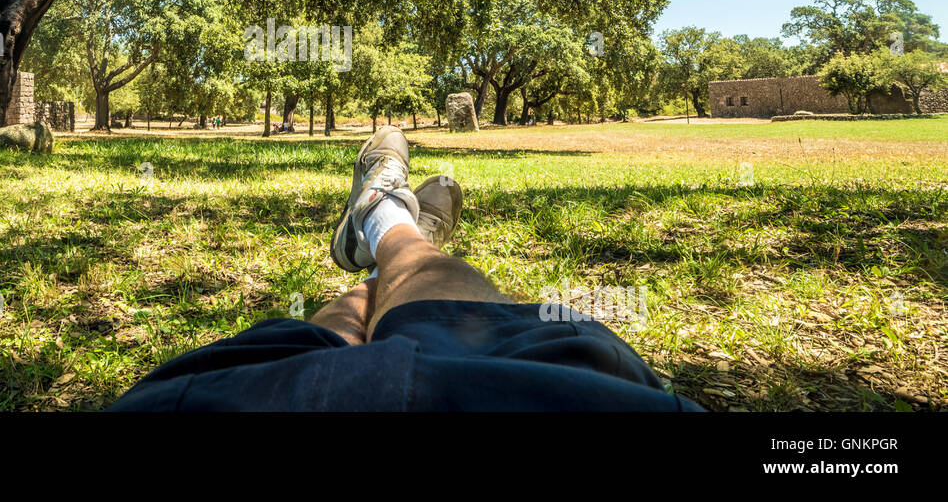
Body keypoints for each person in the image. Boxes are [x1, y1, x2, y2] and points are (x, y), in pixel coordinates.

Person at [108, 126, 701, 411]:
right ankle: (395, 232)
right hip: (557, 395)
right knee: (478, 329)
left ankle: (383, 230)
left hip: (225, 402)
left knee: (305, 345)